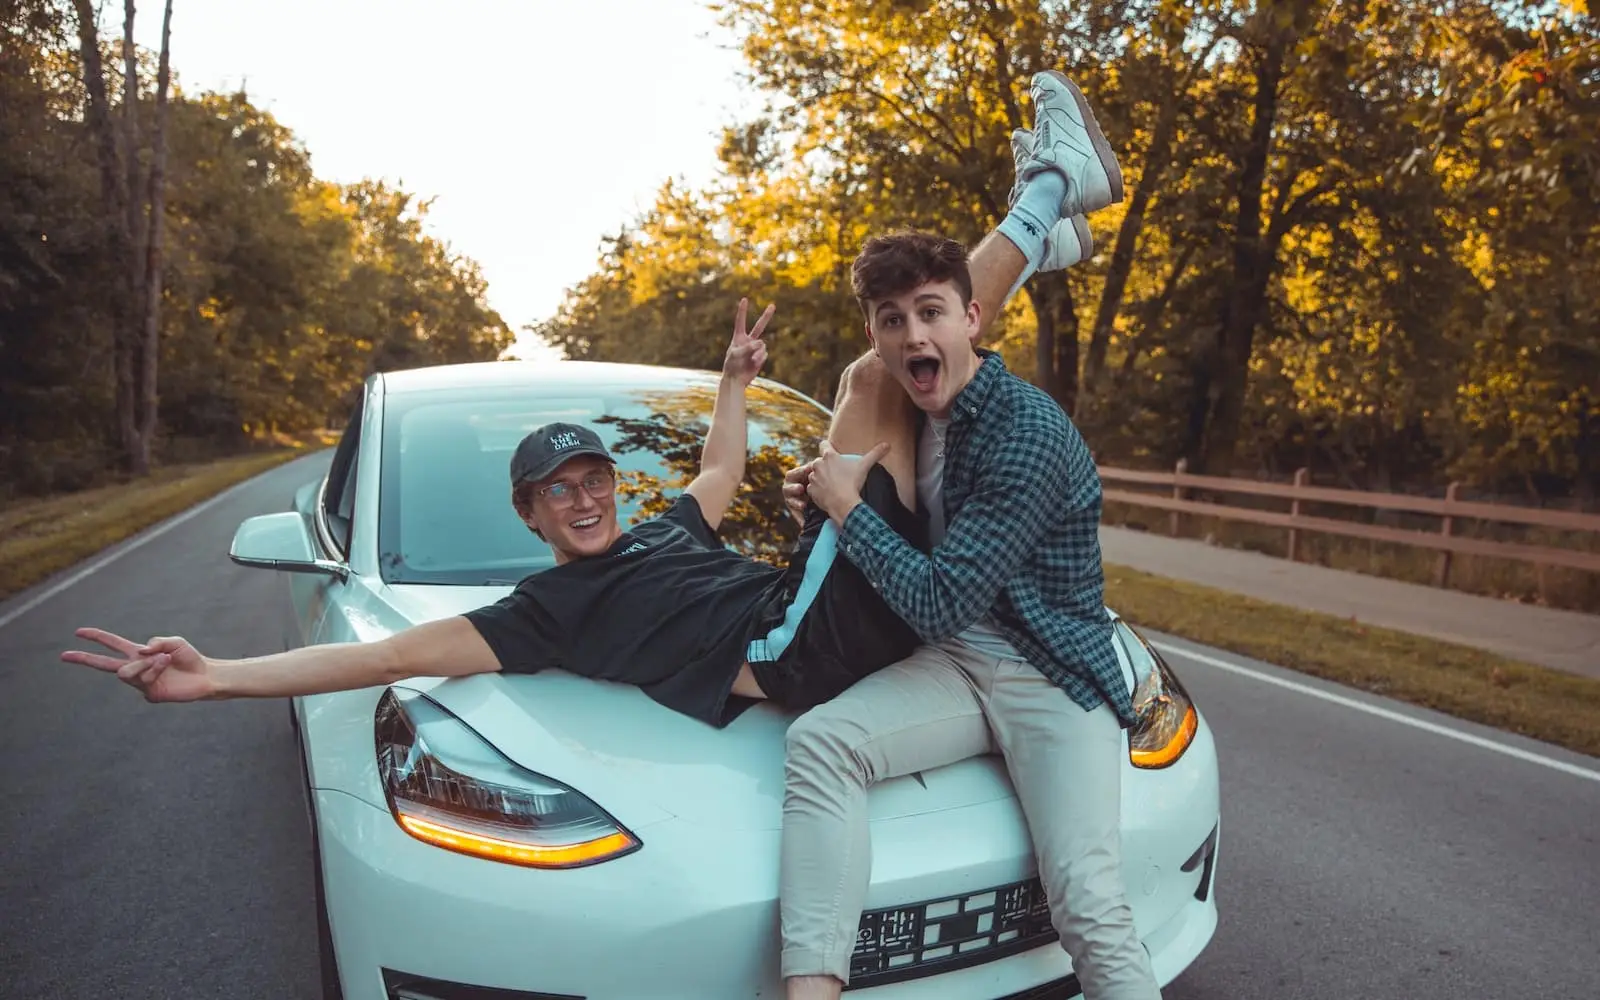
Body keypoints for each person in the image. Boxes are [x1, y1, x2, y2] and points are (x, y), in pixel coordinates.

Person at [60, 298, 929, 726]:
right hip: (799, 643)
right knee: (874, 377)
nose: (585, 499)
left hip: (817, 603)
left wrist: (733, 381)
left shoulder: (666, 532)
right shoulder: (543, 614)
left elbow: (719, 468)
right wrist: (215, 673)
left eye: (595, 481)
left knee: (885, 390)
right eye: (560, 489)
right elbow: (387, 656)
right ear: (529, 514)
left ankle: (999, 260)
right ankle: (1001, 244)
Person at [775, 72, 1163, 1000]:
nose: (914, 337)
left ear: (973, 319)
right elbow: (890, 488)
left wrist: (848, 510)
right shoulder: (919, 399)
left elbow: (939, 597)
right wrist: (825, 497)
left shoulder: (1027, 433)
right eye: (893, 323)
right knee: (821, 743)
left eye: (932, 314)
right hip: (957, 663)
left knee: (1087, 904)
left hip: (1050, 675)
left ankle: (1052, 194)